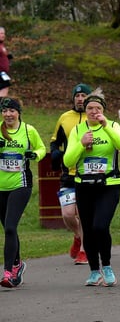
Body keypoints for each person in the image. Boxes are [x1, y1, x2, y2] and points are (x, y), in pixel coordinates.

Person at [63, 89, 120, 286]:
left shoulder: (113, 125)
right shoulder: (77, 130)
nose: (93, 111)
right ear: (85, 110)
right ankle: (94, 271)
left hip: (109, 184)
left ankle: (106, 266)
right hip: (84, 185)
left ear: (103, 110)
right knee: (89, 229)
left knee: (100, 225)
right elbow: (68, 161)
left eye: (98, 108)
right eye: (90, 108)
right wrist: (81, 144)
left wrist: (105, 126)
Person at [0, 98, 46, 288]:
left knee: (10, 227)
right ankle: (18, 264)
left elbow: (41, 147)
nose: (8, 114)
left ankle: (8, 272)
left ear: (19, 113)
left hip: (21, 184)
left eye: (12, 111)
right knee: (8, 228)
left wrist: (35, 155)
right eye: (5, 111)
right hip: (0, 186)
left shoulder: (28, 130)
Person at [50, 83, 92, 265]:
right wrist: (55, 153)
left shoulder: (96, 118)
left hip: (88, 172)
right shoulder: (65, 118)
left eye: (83, 96)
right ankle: (77, 235)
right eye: (77, 96)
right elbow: (54, 141)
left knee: (83, 212)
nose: (80, 99)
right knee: (68, 214)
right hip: (68, 172)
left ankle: (84, 249)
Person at [0, 27, 13, 97]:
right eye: (1, 33)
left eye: (4, 33)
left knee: (5, 88)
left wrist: (7, 58)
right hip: (0, 73)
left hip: (3, 73)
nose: (3, 35)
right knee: (4, 87)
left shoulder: (2, 45)